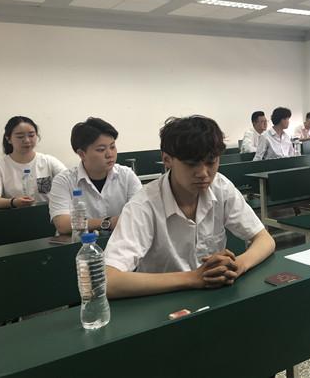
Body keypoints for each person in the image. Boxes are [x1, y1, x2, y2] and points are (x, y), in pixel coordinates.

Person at [104, 116, 275, 298]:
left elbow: (265, 239)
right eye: (191, 164)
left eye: (211, 162)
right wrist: (193, 278)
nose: (203, 173)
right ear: (167, 159)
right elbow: (107, 280)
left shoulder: (221, 187)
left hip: (214, 296)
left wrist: (238, 266)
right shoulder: (143, 205)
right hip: (161, 301)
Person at [49, 117, 142, 235]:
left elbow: (141, 213)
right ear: (82, 154)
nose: (110, 154)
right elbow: (63, 224)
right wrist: (107, 223)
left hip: (121, 242)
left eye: (112, 147)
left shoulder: (126, 175)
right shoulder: (64, 181)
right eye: (101, 150)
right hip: (79, 244)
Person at [0, 116, 66, 209]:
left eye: (31, 135)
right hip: (16, 215)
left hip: (49, 214)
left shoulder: (48, 161)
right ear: (8, 139)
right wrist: (13, 202)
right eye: (20, 137)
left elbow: (71, 182)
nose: (27, 140)